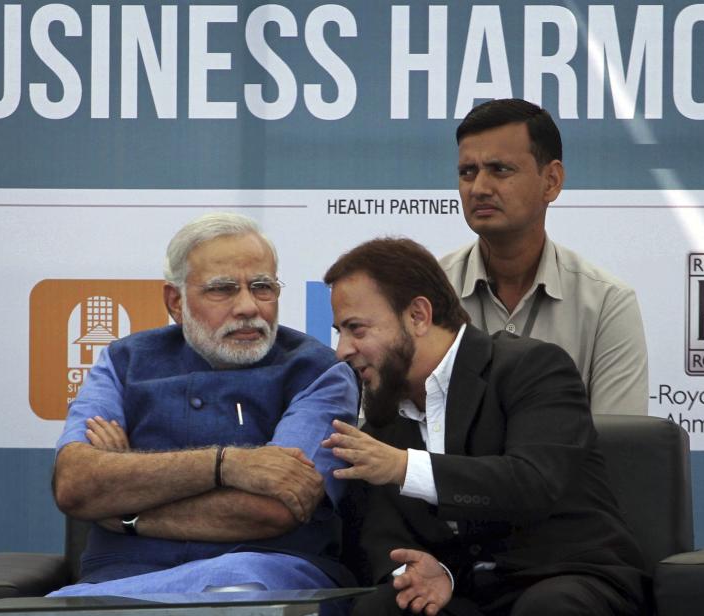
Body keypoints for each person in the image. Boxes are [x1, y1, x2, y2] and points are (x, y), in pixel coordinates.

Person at [322, 238, 647, 616]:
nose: (342, 350)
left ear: (418, 316)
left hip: (567, 577)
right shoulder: (384, 418)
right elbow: (380, 538)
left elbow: (532, 482)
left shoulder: (534, 368)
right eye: (339, 332)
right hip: (462, 591)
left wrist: (405, 467)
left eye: (356, 329)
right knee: (385, 607)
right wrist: (419, 571)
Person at [50, 212, 359, 597]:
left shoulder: (318, 371)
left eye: (262, 287)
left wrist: (127, 511)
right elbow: (76, 483)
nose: (248, 306)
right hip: (119, 578)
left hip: (262, 571)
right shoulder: (124, 361)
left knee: (236, 592)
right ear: (175, 301)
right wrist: (229, 465)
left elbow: (276, 505)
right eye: (223, 289)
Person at [439, 98, 648, 414]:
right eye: (467, 172)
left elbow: (617, 450)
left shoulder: (606, 304)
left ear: (551, 181)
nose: (479, 187)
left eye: (500, 170)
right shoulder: (427, 294)